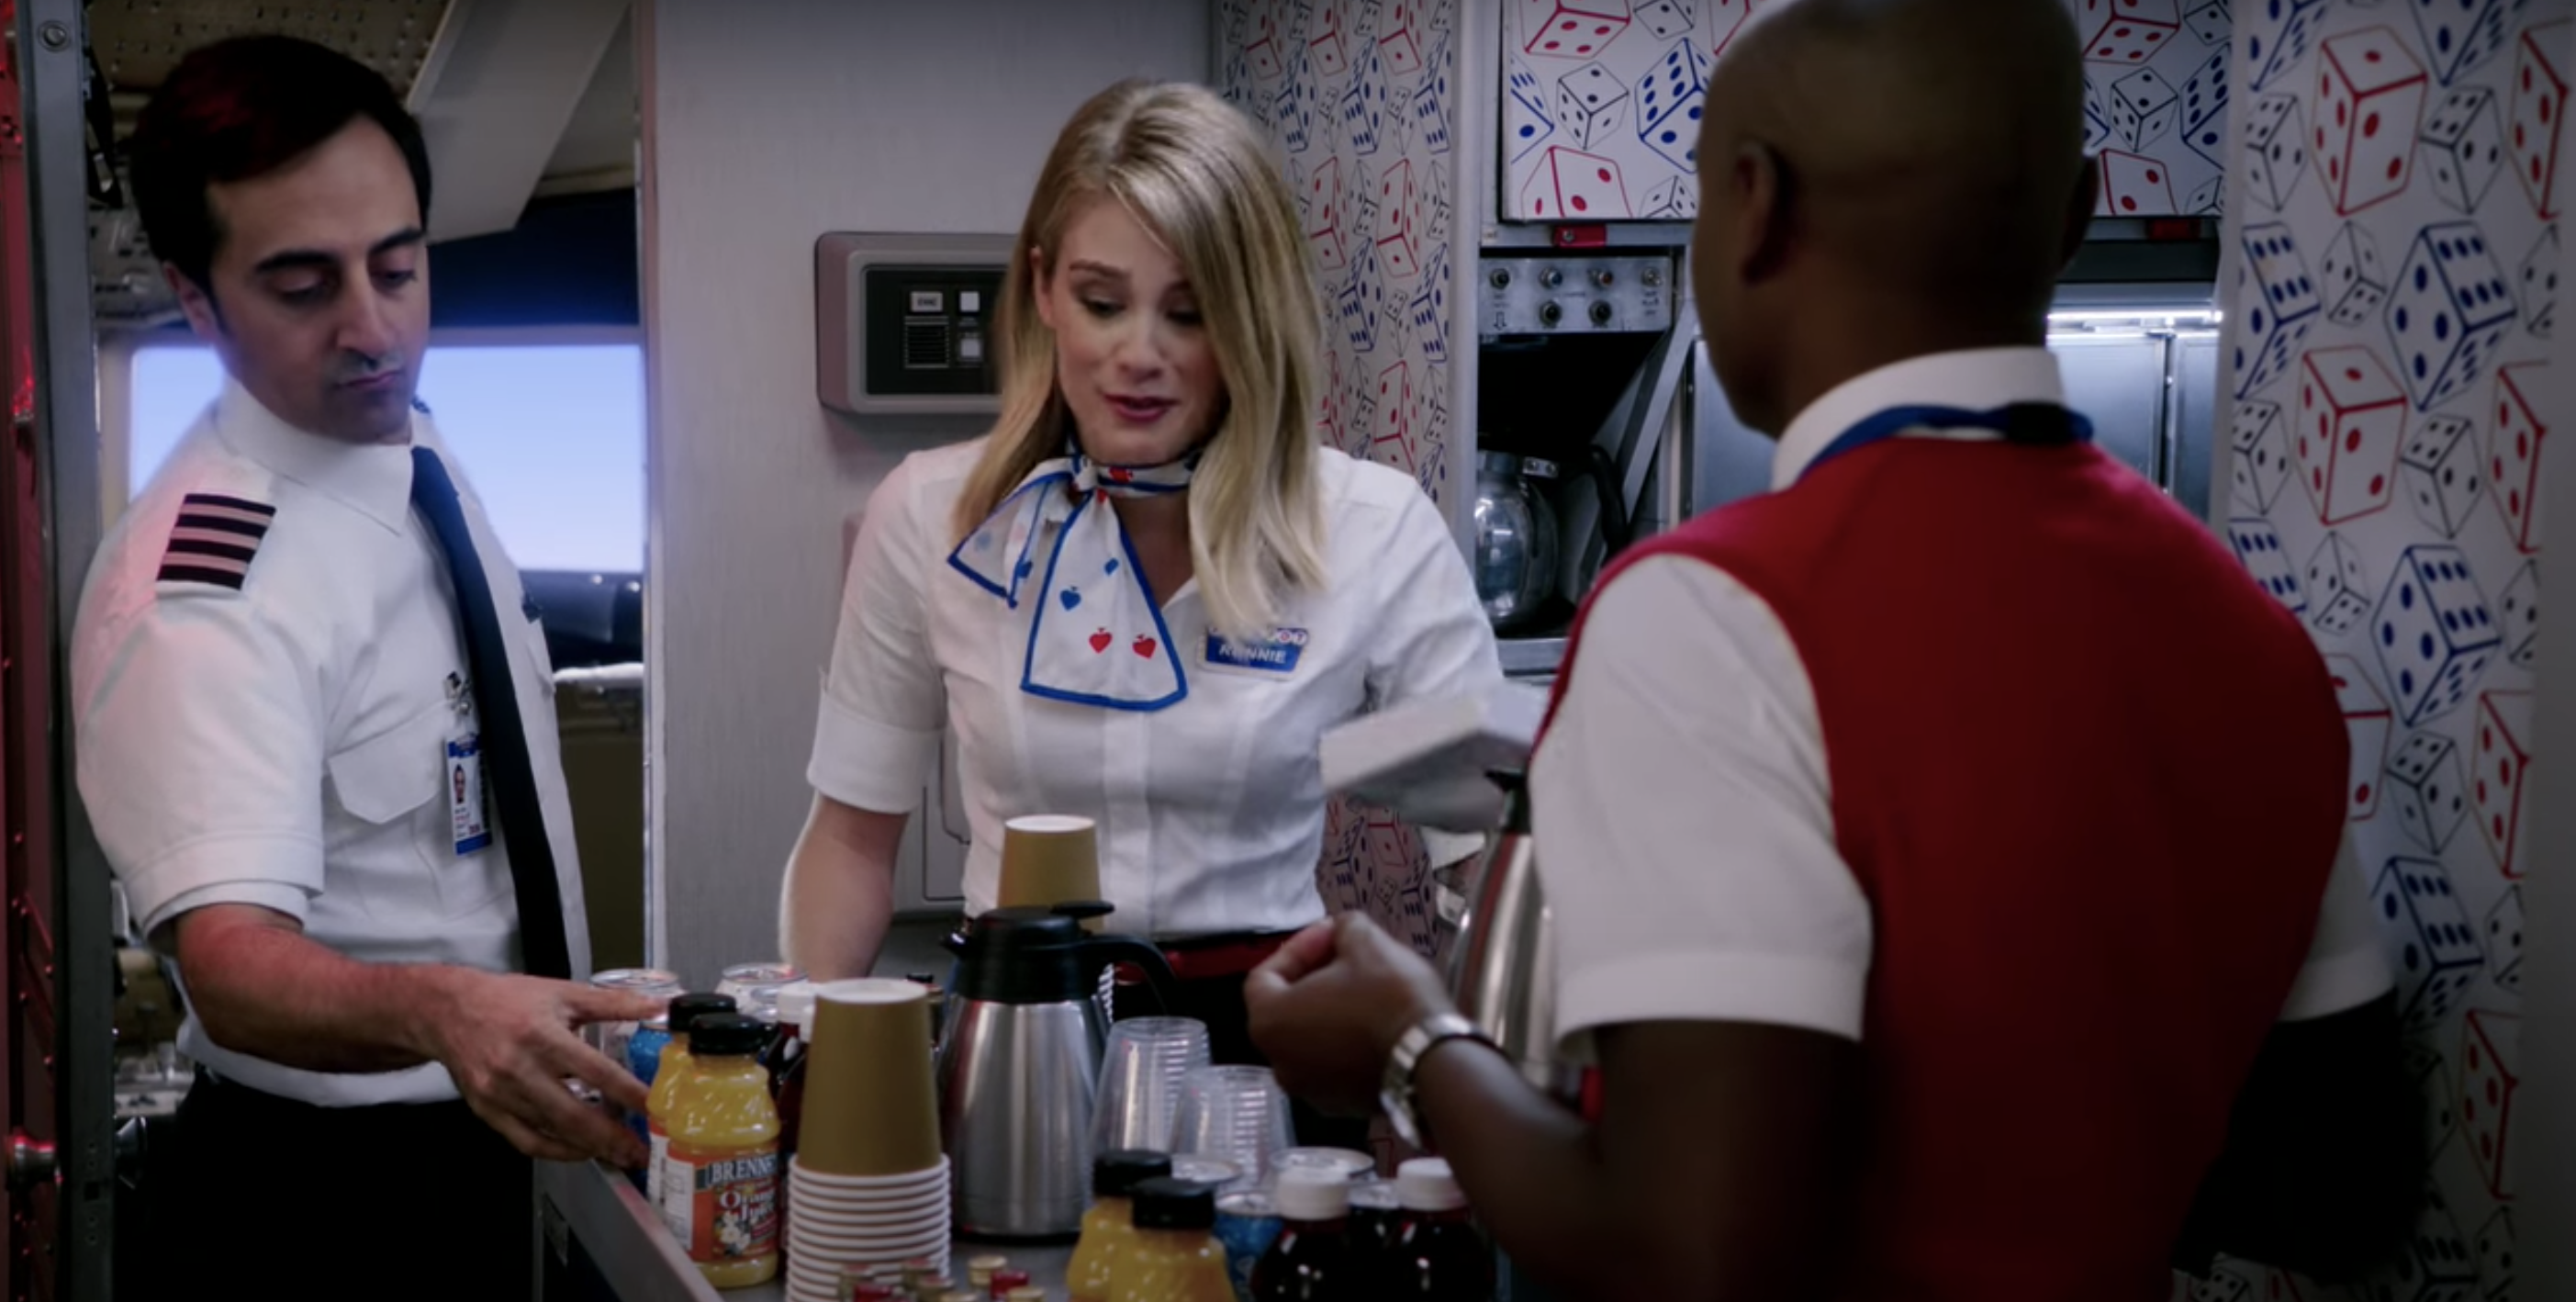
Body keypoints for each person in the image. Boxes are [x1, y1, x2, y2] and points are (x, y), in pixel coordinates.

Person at [1246, 1, 2422, 1297]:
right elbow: (2334, 1181)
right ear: (2077, 211)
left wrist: (1408, 1039)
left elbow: (1689, 1248)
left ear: (1750, 205)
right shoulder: (2254, 644)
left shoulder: (1706, 612)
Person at [73, 36, 658, 1298]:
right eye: (301, 286)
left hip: (493, 1124)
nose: (372, 328)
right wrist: (449, 1008)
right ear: (194, 298)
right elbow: (229, 962)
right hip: (330, 1195)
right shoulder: (201, 593)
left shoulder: (412, 445)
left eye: (398, 266)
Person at [781, 80, 1499, 1077]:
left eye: (1189, 312)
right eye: (1102, 302)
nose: (1138, 356)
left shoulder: (1372, 530)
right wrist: (817, 1047)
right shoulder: (930, 518)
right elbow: (853, 839)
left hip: (1264, 1044)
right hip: (1018, 1034)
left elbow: (1487, 849)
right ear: (1042, 290)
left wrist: (1479, 1071)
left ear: (1249, 321)